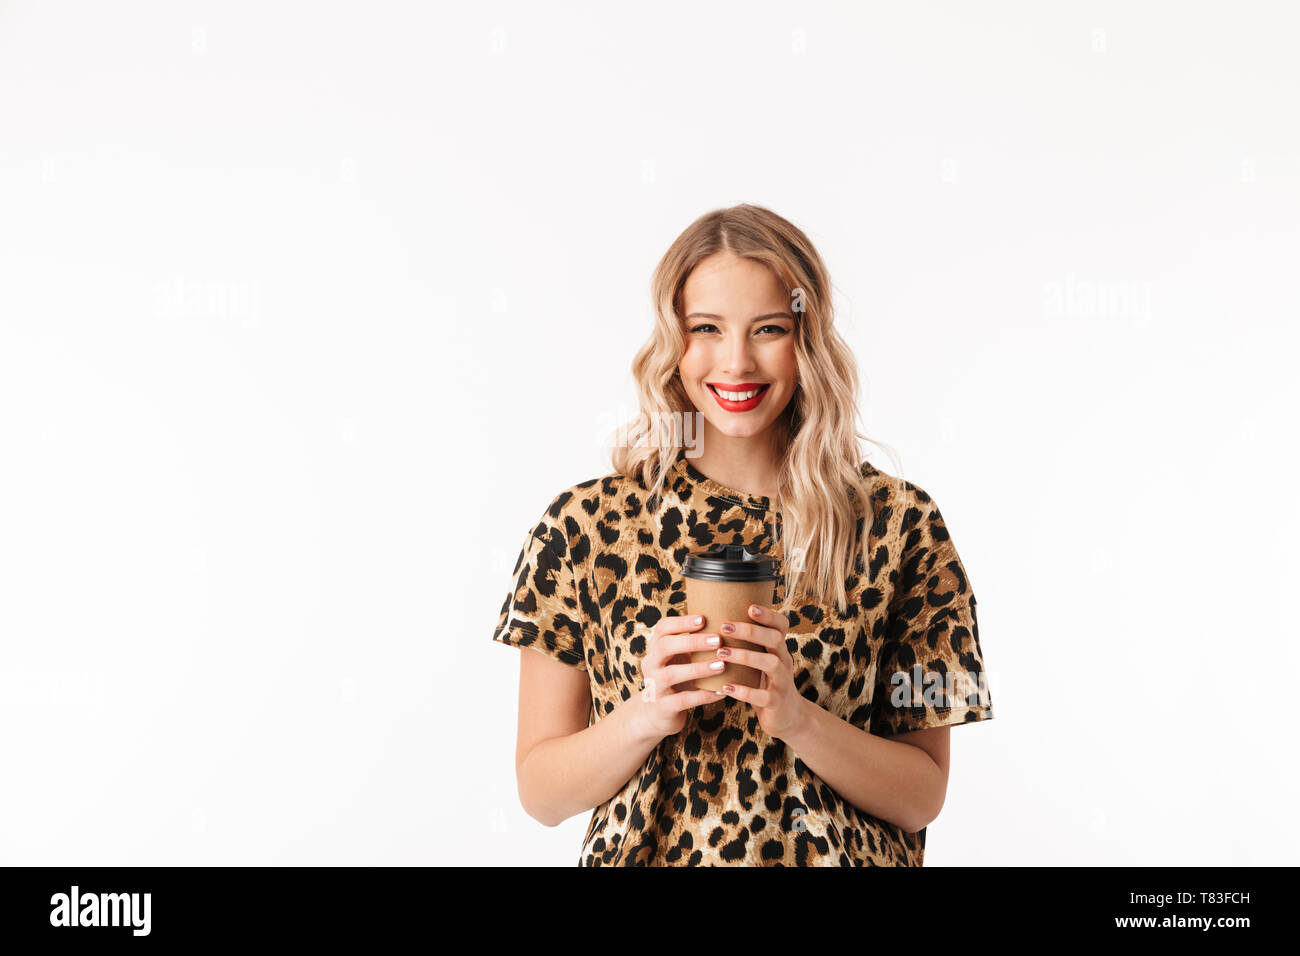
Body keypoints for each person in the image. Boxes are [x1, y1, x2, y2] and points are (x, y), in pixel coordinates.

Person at [491, 203, 993, 866]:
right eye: (706, 328)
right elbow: (540, 792)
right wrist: (644, 716)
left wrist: (799, 720)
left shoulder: (902, 527)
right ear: (673, 338)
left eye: (767, 330)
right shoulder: (582, 529)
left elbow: (923, 794)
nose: (735, 362)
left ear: (805, 338)